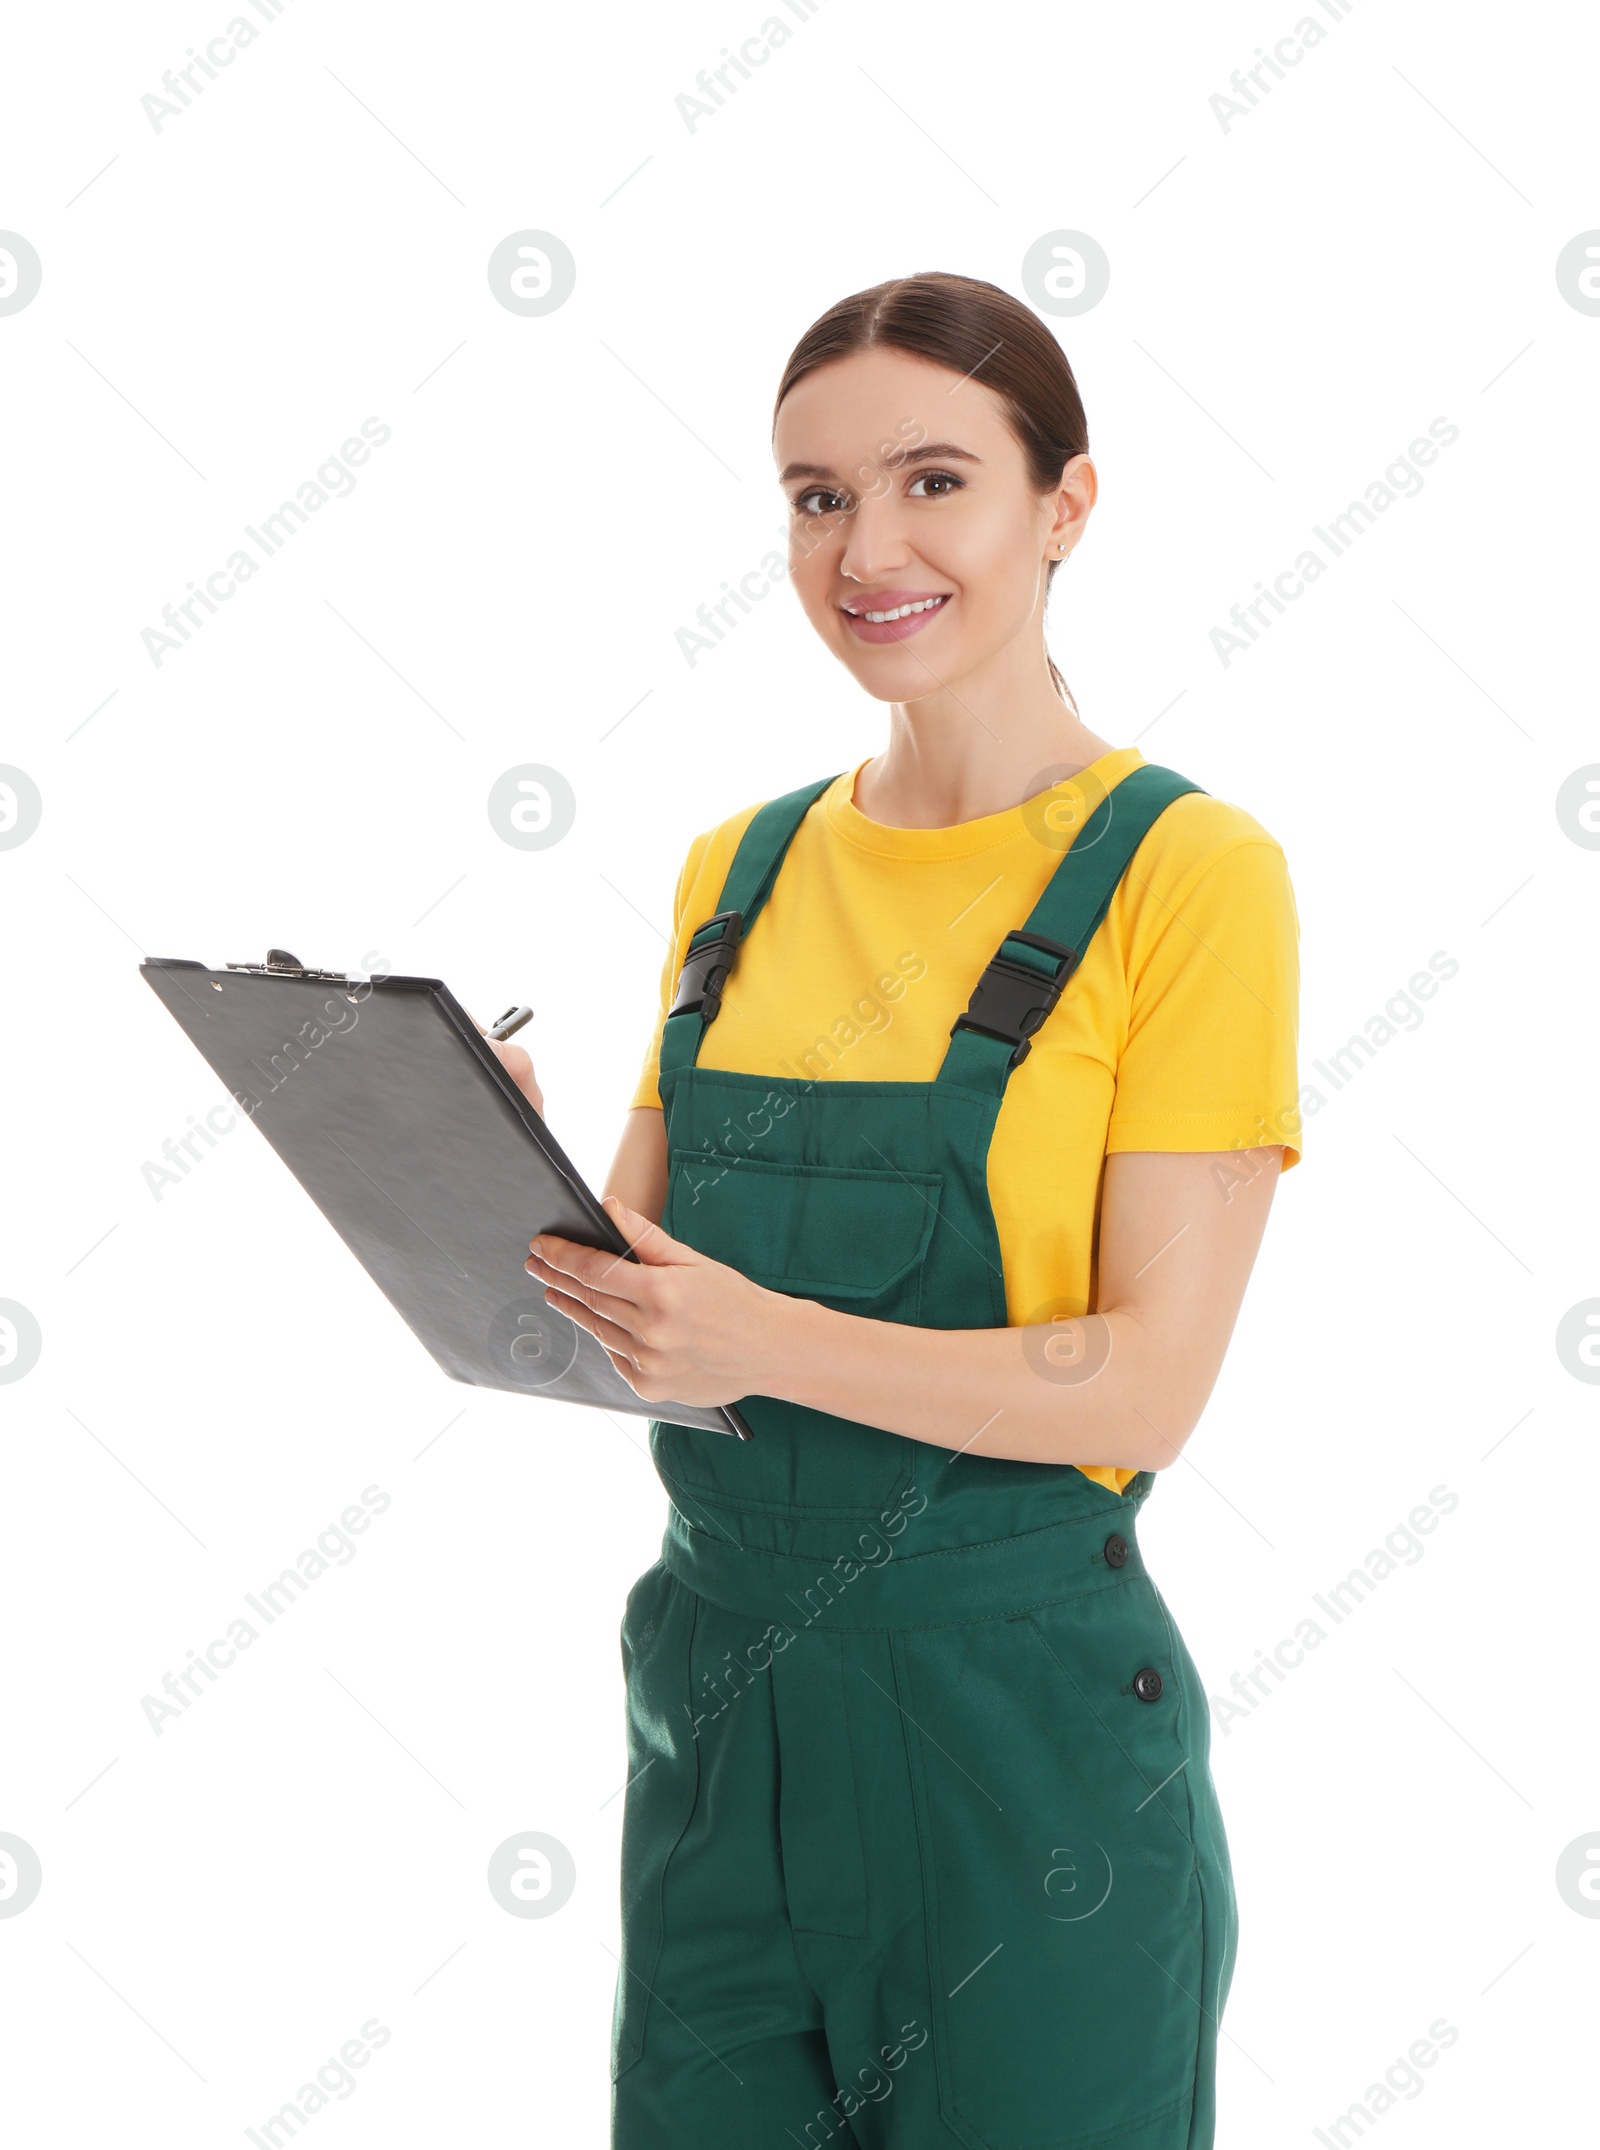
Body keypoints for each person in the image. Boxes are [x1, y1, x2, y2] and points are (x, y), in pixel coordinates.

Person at [497, 270, 1301, 2150]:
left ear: (1065, 505)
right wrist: (477, 1171)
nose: (868, 546)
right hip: (719, 1706)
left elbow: (1144, 1386)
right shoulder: (742, 865)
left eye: (935, 479)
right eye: (815, 494)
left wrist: (751, 1335)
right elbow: (631, 1319)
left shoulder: (1188, 876)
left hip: (1019, 1740)